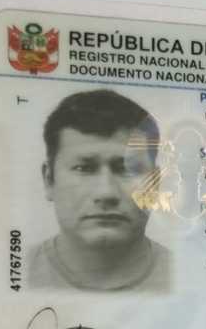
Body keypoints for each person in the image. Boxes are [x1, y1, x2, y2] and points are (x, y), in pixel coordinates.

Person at [29, 89, 172, 292]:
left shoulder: (189, 276)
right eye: (84, 168)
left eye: (126, 169)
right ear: (49, 180)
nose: (106, 193)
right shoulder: (14, 273)